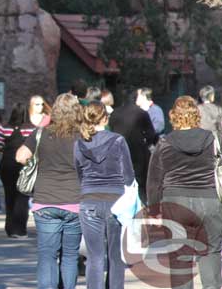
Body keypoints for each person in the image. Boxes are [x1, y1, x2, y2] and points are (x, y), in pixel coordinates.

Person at [147, 96, 222, 289]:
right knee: (211, 252)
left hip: (175, 203)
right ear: (196, 116)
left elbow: (154, 180)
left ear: (174, 116)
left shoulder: (164, 143)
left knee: (180, 257)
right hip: (208, 200)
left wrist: (154, 210)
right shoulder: (211, 140)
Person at [16, 93, 82, 289]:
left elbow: (20, 156)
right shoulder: (83, 136)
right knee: (70, 256)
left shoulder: (41, 133)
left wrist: (39, 160)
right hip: (75, 202)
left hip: (45, 202)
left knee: (47, 256)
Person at [74, 101, 135, 289]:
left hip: (89, 201)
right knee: (116, 256)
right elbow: (129, 175)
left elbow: (78, 173)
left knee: (94, 256)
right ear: (105, 118)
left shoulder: (79, 143)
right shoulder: (118, 140)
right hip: (115, 202)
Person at [109, 90, 157, 204]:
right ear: (135, 98)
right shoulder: (141, 113)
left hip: (118, 152)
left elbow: (110, 130)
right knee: (140, 181)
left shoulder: (115, 113)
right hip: (138, 151)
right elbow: (151, 134)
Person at [0, 103, 31, 238]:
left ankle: (10, 228)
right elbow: (35, 147)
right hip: (24, 167)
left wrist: (6, 150)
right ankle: (20, 229)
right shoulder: (30, 129)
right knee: (22, 198)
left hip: (7, 166)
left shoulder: (4, 128)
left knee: (9, 197)